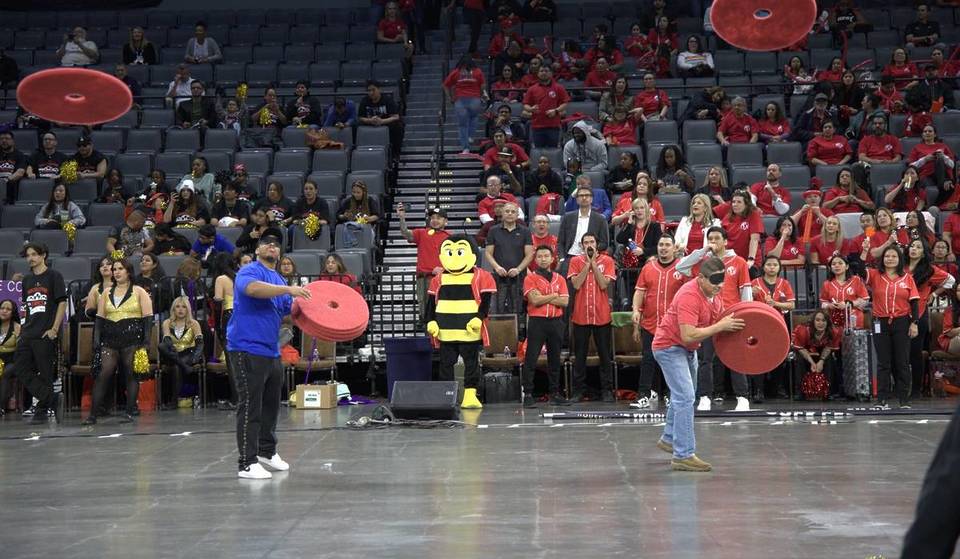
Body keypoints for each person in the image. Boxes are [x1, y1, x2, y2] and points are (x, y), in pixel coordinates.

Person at [227, 229, 311, 479]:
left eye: (276, 244)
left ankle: (266, 451)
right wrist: (288, 290)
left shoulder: (279, 279)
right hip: (246, 347)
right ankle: (246, 462)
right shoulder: (250, 271)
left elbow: (288, 314)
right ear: (257, 249)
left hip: (271, 349)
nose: (272, 246)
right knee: (250, 405)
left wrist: (316, 314)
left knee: (271, 405)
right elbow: (253, 290)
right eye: (266, 243)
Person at [653, 256, 744, 472]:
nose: (719, 286)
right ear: (701, 278)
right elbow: (688, 334)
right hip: (669, 347)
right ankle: (683, 455)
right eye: (714, 282)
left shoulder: (713, 294)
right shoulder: (689, 295)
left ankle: (669, 438)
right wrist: (721, 326)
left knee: (684, 395)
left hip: (687, 349)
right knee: (685, 397)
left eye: (722, 282)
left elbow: (719, 321)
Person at [678, 226, 754, 411]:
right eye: (710, 238)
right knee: (705, 360)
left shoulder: (738, 262)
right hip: (708, 318)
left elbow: (746, 291)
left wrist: (748, 316)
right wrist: (703, 250)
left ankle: (742, 397)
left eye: (716, 238)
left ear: (725, 241)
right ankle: (705, 397)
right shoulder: (704, 262)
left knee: (735, 358)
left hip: (731, 317)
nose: (713, 241)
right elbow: (681, 267)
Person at [81, 257, 153, 425]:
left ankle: (129, 412)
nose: (116, 272)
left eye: (120, 269)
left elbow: (148, 318)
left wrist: (146, 342)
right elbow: (99, 319)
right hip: (109, 338)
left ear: (128, 271)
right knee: (103, 374)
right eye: (115, 269)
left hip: (132, 338)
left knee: (130, 374)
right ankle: (92, 415)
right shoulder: (106, 293)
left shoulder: (139, 291)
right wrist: (96, 340)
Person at [0, 243, 64, 424]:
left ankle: (42, 410)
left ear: (44, 255)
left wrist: (54, 329)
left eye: (34, 254)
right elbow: (27, 307)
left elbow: (62, 303)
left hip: (45, 333)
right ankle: (52, 399)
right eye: (28, 255)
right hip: (28, 332)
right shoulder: (27, 280)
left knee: (45, 373)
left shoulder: (54, 276)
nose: (31, 258)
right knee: (20, 368)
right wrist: (23, 329)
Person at [631, 233, 686, 409]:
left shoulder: (682, 267)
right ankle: (644, 395)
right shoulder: (648, 268)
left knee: (673, 362)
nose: (663, 248)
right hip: (650, 323)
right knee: (648, 359)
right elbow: (639, 292)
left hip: (673, 326)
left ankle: (671, 395)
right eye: (661, 245)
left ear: (674, 248)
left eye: (667, 245)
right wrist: (635, 310)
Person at [861, 244, 920, 408]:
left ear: (899, 259)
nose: (890, 259)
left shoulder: (907, 278)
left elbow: (914, 302)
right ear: (882, 259)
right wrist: (865, 251)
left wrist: (914, 323)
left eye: (894, 256)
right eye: (887, 256)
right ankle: (882, 399)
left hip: (902, 322)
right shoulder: (875, 275)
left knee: (902, 361)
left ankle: (904, 399)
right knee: (883, 362)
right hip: (880, 322)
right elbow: (858, 270)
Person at [567, 232, 617, 402]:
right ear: (582, 245)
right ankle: (578, 391)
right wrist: (586, 264)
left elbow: (603, 284)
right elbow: (576, 284)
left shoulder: (607, 261)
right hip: (581, 315)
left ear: (597, 244)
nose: (589, 245)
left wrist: (593, 263)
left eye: (592, 242)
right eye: (586, 242)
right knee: (579, 355)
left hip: (601, 315)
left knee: (605, 355)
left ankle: (607, 390)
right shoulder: (575, 261)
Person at [521, 245, 570, 407]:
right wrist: (554, 295)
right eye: (540, 256)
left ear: (552, 258)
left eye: (546, 256)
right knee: (531, 358)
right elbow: (535, 301)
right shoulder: (530, 278)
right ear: (535, 260)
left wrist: (545, 297)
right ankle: (528, 393)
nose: (543, 259)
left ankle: (554, 393)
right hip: (537, 322)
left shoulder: (560, 278)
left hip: (556, 322)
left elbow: (565, 301)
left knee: (555, 359)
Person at [905, 239, 954, 397]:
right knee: (899, 353)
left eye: (918, 247)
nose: (914, 249)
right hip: (900, 314)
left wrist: (933, 294)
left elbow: (951, 281)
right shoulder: (901, 267)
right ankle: (899, 388)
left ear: (923, 252)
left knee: (915, 353)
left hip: (919, 314)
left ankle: (916, 390)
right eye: (912, 246)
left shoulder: (929, 270)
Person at [750, 255, 796, 400]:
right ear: (763, 267)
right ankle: (758, 390)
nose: (771, 267)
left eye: (775, 265)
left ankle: (776, 388)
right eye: (769, 264)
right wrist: (750, 294)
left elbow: (791, 305)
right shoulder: (754, 283)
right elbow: (745, 301)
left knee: (778, 356)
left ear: (779, 268)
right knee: (758, 356)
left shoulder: (785, 283)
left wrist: (775, 304)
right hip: (758, 324)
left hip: (777, 325)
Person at [398, 205, 450, 321]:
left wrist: (444, 270)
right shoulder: (422, 233)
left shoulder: (450, 238)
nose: (435, 220)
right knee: (423, 304)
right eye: (433, 218)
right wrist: (402, 218)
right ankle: (424, 324)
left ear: (445, 221)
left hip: (442, 278)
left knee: (441, 304)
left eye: (438, 218)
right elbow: (406, 233)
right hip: (423, 278)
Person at [485, 202, 534, 313]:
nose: (510, 214)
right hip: (499, 276)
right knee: (498, 309)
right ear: (502, 213)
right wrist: (497, 267)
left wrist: (518, 269)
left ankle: (518, 325)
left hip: (519, 277)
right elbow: (488, 253)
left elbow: (530, 254)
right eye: (507, 211)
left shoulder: (525, 231)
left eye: (513, 212)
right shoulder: (493, 230)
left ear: (517, 215)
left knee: (517, 309)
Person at [158, 296, 204, 410]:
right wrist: (174, 352)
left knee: (177, 366)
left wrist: (195, 359)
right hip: (172, 353)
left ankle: (174, 401)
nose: (180, 309)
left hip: (188, 354)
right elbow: (167, 341)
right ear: (173, 309)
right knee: (161, 346)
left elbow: (200, 344)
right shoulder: (167, 322)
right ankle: (184, 367)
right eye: (177, 307)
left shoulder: (194, 323)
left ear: (188, 309)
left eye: (184, 307)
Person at [557, 185, 609, 270]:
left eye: (587, 195)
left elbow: (604, 243)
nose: (584, 198)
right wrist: (562, 259)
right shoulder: (567, 217)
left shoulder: (600, 219)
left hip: (590, 258)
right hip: (570, 257)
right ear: (577, 199)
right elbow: (560, 242)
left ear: (591, 199)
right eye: (581, 195)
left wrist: (589, 248)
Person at [792, 310, 841, 399]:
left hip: (822, 353)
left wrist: (821, 361)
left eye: (823, 320)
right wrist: (812, 363)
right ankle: (800, 392)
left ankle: (828, 392)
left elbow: (828, 348)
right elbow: (801, 349)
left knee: (829, 359)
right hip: (807, 353)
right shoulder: (803, 330)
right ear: (813, 321)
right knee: (800, 360)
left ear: (827, 322)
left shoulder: (833, 332)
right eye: (817, 320)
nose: (820, 323)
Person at [443, 56, 486, 154]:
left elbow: (445, 85)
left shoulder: (456, 72)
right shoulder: (478, 71)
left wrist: (449, 97)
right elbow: (483, 85)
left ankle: (465, 148)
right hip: (474, 98)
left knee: (462, 125)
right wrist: (480, 95)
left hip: (460, 99)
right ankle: (470, 136)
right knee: (474, 117)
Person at [523, 66, 570, 148]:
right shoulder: (532, 89)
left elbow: (565, 103)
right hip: (537, 127)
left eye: (546, 71)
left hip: (553, 126)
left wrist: (556, 111)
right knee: (538, 151)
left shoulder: (558, 87)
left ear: (551, 73)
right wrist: (531, 109)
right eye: (541, 71)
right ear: (538, 74)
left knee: (554, 151)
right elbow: (525, 104)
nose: (544, 73)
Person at [908, 124, 956, 205]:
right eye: (925, 131)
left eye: (930, 131)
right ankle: (936, 200)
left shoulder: (943, 146)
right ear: (922, 135)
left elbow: (952, 165)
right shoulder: (917, 148)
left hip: (941, 175)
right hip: (925, 175)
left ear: (935, 134)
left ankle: (941, 185)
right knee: (932, 189)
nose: (927, 133)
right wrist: (925, 159)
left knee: (939, 159)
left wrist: (943, 156)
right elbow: (911, 166)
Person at [715, 189, 763, 264]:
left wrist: (751, 259)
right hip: (731, 259)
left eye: (739, 202)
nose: (735, 204)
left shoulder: (754, 215)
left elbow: (754, 239)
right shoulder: (727, 217)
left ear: (746, 204)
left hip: (749, 260)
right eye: (733, 202)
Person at [615, 197, 662, 272]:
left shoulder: (654, 226)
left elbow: (658, 247)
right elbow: (619, 240)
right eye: (636, 208)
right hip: (630, 258)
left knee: (651, 260)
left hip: (647, 256)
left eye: (642, 208)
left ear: (646, 210)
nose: (639, 210)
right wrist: (629, 223)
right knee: (620, 249)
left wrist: (643, 251)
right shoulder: (630, 225)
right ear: (633, 211)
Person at [359, 80, 403, 155]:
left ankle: (395, 154)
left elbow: (396, 117)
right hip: (370, 123)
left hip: (385, 123)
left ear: (379, 89)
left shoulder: (388, 100)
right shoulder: (364, 100)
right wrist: (370, 120)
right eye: (369, 91)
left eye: (373, 90)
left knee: (398, 126)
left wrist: (382, 121)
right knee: (357, 125)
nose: (371, 93)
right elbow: (361, 117)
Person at [0, 299, 20, 417]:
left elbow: (21, 350)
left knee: (5, 373)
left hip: (12, 360)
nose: (4, 311)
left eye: (8, 309)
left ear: (13, 313)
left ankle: (1, 407)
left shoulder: (17, 327)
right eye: (2, 308)